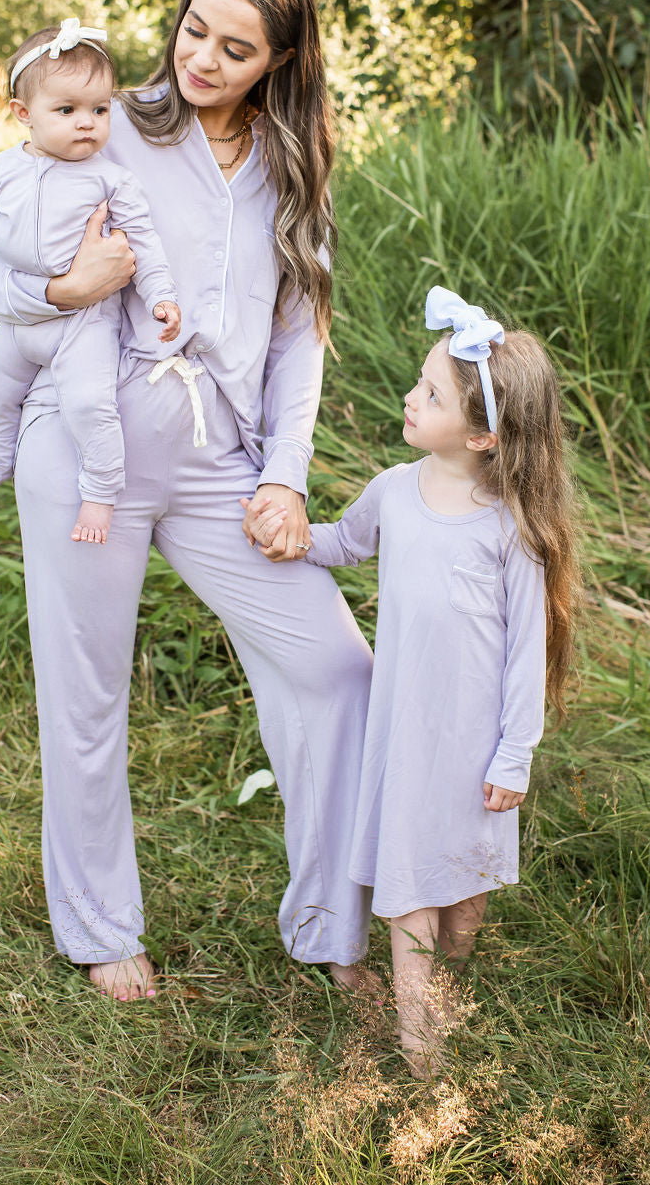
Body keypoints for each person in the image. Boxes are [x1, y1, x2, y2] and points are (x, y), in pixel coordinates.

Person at [0, 0, 375, 1001]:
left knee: (334, 667)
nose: (203, 60)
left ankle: (331, 923)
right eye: (194, 30)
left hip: (218, 458)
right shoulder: (108, 123)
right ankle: (101, 927)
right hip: (82, 441)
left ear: (280, 61)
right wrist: (61, 289)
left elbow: (298, 339)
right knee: (86, 688)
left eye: (236, 49)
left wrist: (284, 476)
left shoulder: (293, 168)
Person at [245, 286, 578, 1074]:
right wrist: (293, 537)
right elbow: (344, 542)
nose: (410, 397)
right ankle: (418, 1041)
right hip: (404, 732)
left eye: (430, 394)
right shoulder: (396, 489)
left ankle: (447, 983)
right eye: (420, 383)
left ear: (483, 436)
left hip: (474, 744)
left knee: (463, 902)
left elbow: (524, 653)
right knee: (410, 885)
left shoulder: (510, 530)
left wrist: (514, 754)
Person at [0, 20, 181, 546]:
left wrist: (162, 296)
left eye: (100, 110)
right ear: (24, 114)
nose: (87, 123)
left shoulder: (111, 179)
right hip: (20, 319)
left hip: (84, 322)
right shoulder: (2, 169)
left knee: (89, 403)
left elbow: (145, 244)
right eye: (67, 110)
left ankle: (101, 492)